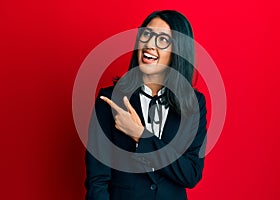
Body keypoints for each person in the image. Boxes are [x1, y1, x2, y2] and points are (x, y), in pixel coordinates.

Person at [85, 10, 207, 200]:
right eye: (146, 35)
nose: (150, 44)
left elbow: (190, 174)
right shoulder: (109, 100)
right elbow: (97, 180)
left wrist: (141, 136)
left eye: (162, 40)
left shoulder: (194, 104)